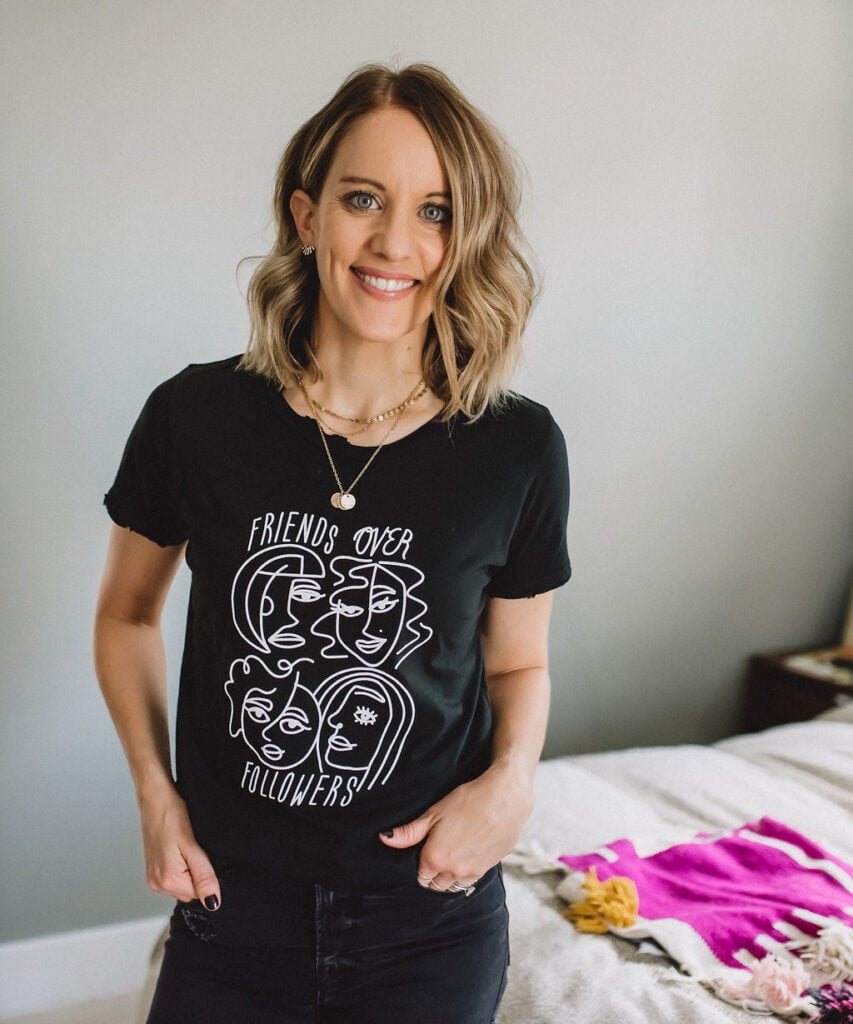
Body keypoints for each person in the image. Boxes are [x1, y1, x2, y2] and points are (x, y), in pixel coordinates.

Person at [94, 63, 570, 1024]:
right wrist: (154, 793)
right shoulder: (196, 415)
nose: (396, 242)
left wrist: (512, 783)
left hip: (427, 923)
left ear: (465, 235)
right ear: (307, 216)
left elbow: (517, 665)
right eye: (363, 199)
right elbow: (125, 614)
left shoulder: (515, 446)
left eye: (436, 211)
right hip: (229, 914)